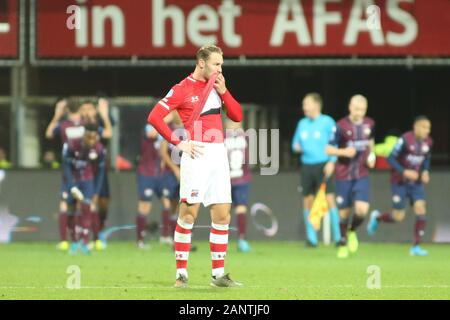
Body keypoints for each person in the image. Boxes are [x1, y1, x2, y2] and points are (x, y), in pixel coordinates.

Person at [148, 44, 243, 288]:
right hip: (196, 153)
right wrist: (178, 143)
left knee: (222, 215)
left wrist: (225, 91)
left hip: (218, 155)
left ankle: (218, 275)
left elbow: (237, 115)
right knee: (189, 214)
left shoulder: (217, 86)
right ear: (202, 63)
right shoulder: (182, 88)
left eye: (221, 64)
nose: (220, 69)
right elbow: (154, 117)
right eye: (216, 64)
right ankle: (181, 274)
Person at [367, 116, 432, 256]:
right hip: (399, 182)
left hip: (416, 183)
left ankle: (416, 247)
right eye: (424, 127)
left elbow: (426, 158)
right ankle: (378, 217)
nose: (427, 131)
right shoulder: (404, 140)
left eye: (428, 128)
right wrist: (404, 171)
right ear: (416, 127)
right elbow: (390, 157)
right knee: (398, 216)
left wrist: (425, 171)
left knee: (421, 209)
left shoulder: (428, 142)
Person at [326, 95, 376, 259]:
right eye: (356, 109)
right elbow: (328, 149)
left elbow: (370, 141)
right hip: (343, 175)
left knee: (362, 210)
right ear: (350, 107)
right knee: (344, 214)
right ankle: (342, 243)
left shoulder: (370, 124)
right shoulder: (340, 126)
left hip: (361, 174)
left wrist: (372, 155)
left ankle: (352, 230)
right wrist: (343, 152)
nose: (359, 113)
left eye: (362, 110)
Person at [291, 93, 340, 247]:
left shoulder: (327, 122)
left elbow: (335, 144)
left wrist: (332, 162)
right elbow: (295, 145)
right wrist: (299, 147)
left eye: (306, 104)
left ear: (316, 105)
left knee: (330, 199)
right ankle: (312, 239)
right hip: (307, 166)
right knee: (308, 201)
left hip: (323, 165)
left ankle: (339, 238)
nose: (304, 107)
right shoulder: (302, 123)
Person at [45, 97, 84, 251]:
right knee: (80, 203)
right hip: (84, 170)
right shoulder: (85, 125)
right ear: (80, 109)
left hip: (68, 170)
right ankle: (79, 238)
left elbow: (48, 133)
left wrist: (57, 114)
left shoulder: (63, 125)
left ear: (67, 110)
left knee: (64, 203)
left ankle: (63, 241)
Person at [62, 123, 106, 255]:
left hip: (88, 180)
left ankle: (85, 242)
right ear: (84, 134)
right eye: (89, 137)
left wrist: (97, 192)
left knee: (87, 208)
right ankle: (74, 242)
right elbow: (66, 166)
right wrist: (71, 185)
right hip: (73, 180)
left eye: (94, 137)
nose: (91, 140)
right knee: (71, 209)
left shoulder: (99, 148)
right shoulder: (72, 144)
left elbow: (100, 172)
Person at [80, 98, 113, 249]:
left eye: (89, 108)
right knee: (83, 202)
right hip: (81, 169)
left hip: (99, 168)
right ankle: (84, 235)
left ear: (94, 110)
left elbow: (108, 134)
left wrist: (104, 115)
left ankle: (98, 230)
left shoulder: (98, 126)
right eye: (84, 108)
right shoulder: (78, 126)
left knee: (103, 202)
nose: (86, 111)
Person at [224, 119, 252, 253]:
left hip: (238, 179)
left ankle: (241, 240)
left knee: (239, 209)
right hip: (232, 179)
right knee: (226, 211)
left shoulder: (221, 137)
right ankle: (234, 240)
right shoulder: (246, 137)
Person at [135, 122, 163, 249]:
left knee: (168, 202)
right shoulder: (146, 138)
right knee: (144, 206)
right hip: (145, 175)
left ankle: (167, 236)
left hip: (158, 176)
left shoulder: (160, 140)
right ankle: (140, 240)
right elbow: (149, 135)